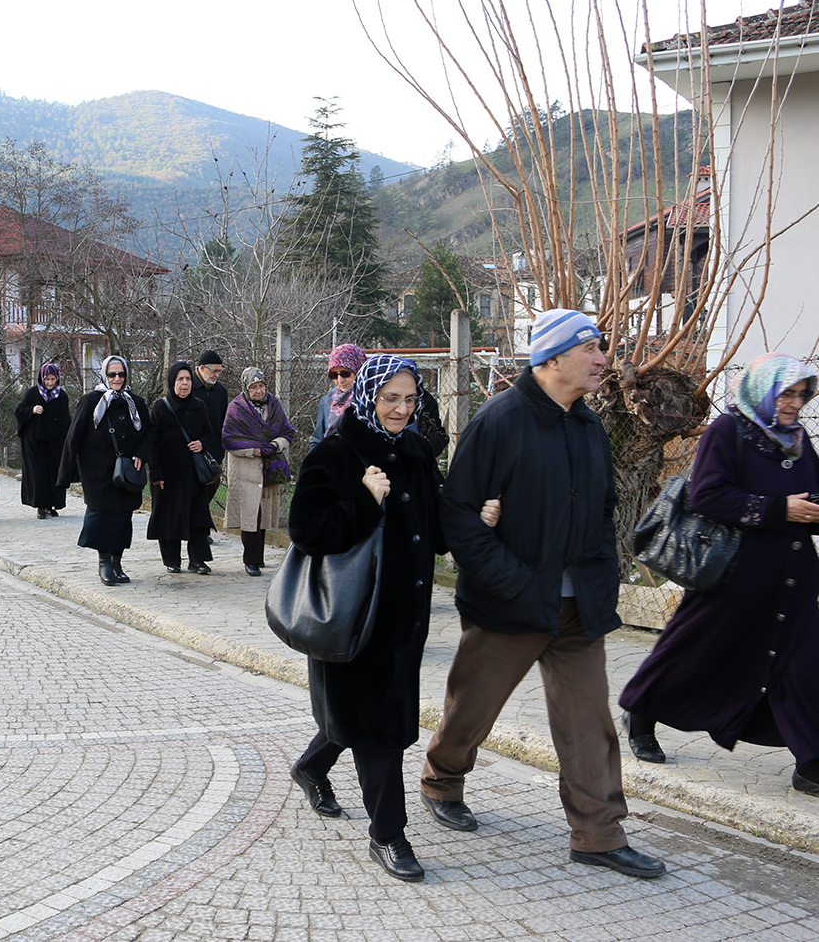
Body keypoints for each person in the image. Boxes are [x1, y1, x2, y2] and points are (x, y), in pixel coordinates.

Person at [420, 309, 666, 880]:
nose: (604, 359)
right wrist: (511, 580)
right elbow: (458, 513)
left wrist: (603, 574)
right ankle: (442, 777)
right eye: (592, 350)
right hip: (510, 604)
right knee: (471, 708)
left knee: (589, 722)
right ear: (553, 359)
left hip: (581, 606)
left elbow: (604, 509)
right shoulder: (499, 420)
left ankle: (598, 834)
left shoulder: (588, 426)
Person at [620, 353, 819, 798]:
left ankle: (811, 761)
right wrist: (778, 509)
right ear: (761, 390)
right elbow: (708, 495)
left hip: (794, 578)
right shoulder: (727, 432)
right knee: (694, 650)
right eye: (785, 392)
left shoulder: (799, 438)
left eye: (801, 393)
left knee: (803, 664)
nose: (794, 403)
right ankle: (640, 711)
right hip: (732, 573)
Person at [287, 355, 446, 882]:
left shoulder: (417, 449)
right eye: (390, 398)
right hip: (355, 616)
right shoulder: (337, 451)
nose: (401, 408)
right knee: (380, 729)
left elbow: (431, 529)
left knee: (365, 713)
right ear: (368, 395)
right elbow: (307, 530)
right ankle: (388, 834)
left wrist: (477, 521)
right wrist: (363, 499)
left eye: (410, 398)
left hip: (405, 617)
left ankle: (311, 767)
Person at [58, 356, 151, 586]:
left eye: (121, 374)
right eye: (112, 375)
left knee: (123, 517)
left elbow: (149, 434)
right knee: (101, 516)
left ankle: (117, 562)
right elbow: (74, 437)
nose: (117, 379)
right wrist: (65, 474)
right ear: (104, 375)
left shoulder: (135, 403)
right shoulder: (91, 401)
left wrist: (141, 453)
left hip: (127, 471)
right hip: (97, 471)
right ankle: (104, 562)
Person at [221, 367, 295, 576]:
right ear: (246, 388)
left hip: (268, 467)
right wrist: (252, 450)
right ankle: (250, 560)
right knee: (249, 514)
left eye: (261, 386)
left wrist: (276, 444)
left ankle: (259, 557)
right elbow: (228, 439)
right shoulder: (237, 408)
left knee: (262, 515)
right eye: (254, 387)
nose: (258, 391)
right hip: (246, 468)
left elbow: (288, 431)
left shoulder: (274, 404)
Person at [147, 361, 215, 574]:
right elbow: (151, 442)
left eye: (188, 379)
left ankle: (198, 560)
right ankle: (171, 560)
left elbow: (211, 434)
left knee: (197, 518)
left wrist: (202, 443)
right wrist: (156, 472)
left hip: (193, 473)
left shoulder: (199, 406)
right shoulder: (160, 408)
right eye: (180, 379)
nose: (184, 384)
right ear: (172, 382)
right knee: (169, 517)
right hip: (168, 474)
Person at [15, 362, 72, 520]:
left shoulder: (61, 395)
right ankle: (41, 505)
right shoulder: (32, 393)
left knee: (55, 474)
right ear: (42, 378)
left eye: (53, 379)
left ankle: (53, 504)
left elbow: (66, 419)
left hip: (56, 443)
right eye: (47, 379)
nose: (50, 382)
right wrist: (32, 410)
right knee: (39, 474)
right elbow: (19, 412)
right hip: (36, 443)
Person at [309, 343, 366, 448]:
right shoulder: (327, 400)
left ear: (359, 370)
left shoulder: (369, 399)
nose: (340, 380)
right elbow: (317, 439)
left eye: (345, 374)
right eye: (334, 375)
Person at [191, 350, 229, 505]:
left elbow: (222, 423)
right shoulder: (188, 387)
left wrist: (219, 453)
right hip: (191, 454)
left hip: (213, 455)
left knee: (206, 497)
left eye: (219, 371)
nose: (216, 375)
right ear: (201, 368)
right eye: (213, 371)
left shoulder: (220, 391)